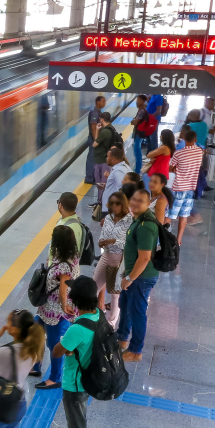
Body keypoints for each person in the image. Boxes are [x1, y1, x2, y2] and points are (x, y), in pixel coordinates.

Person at [47, 275, 101, 428]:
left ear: (76, 301)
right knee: (80, 421)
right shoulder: (97, 316)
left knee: (76, 426)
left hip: (75, 383)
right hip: (87, 379)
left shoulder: (77, 329)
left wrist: (65, 342)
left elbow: (57, 351)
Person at [33, 225, 80, 389]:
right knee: (36, 333)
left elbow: (63, 292)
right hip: (47, 308)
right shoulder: (68, 255)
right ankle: (36, 365)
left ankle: (55, 378)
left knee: (54, 344)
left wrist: (63, 305)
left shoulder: (65, 266)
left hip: (55, 312)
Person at [117, 189, 161, 363]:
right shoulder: (138, 220)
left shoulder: (146, 226)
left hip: (141, 278)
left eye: (140, 201)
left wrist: (130, 278)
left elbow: (144, 258)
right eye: (133, 199)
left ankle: (135, 351)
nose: (135, 203)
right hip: (134, 274)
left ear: (148, 203)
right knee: (125, 305)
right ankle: (121, 339)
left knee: (137, 312)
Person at [94, 191, 131, 328]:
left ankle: (111, 322)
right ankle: (91, 316)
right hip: (106, 256)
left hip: (119, 260)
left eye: (117, 204)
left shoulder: (129, 221)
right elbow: (102, 236)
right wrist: (101, 242)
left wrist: (113, 241)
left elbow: (129, 244)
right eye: (112, 203)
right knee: (94, 287)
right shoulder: (108, 218)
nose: (114, 206)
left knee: (115, 294)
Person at [168, 127, 203, 244]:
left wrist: (177, 169)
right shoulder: (199, 152)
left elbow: (170, 168)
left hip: (178, 188)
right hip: (190, 189)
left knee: (169, 215)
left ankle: (163, 238)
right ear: (195, 140)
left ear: (183, 139)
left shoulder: (179, 153)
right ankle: (178, 240)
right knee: (184, 215)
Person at [54, 191, 85, 261]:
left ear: (60, 206)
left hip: (62, 267)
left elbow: (66, 254)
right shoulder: (73, 221)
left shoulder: (67, 228)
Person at [93, 112, 117, 201]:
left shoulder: (105, 131)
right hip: (105, 160)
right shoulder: (111, 128)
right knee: (103, 183)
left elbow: (95, 144)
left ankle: (101, 203)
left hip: (102, 160)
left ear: (102, 119)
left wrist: (97, 130)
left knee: (102, 183)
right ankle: (100, 202)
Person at [131, 95, 158, 173]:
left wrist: (133, 121)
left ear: (143, 101)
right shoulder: (143, 110)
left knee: (137, 152)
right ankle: (138, 170)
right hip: (140, 133)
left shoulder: (142, 111)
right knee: (137, 150)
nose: (137, 102)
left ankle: (137, 171)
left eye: (138, 100)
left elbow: (135, 122)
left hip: (139, 133)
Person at [101, 146, 130, 217]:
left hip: (111, 209)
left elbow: (121, 188)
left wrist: (114, 206)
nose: (106, 159)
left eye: (108, 157)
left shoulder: (119, 171)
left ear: (113, 159)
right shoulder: (123, 167)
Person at [85, 95, 107, 185]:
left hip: (94, 138)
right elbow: (93, 127)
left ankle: (92, 176)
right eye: (103, 101)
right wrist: (96, 140)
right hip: (93, 138)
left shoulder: (98, 112)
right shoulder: (95, 113)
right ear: (98, 102)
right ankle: (89, 178)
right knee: (92, 158)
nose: (104, 103)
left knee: (94, 158)